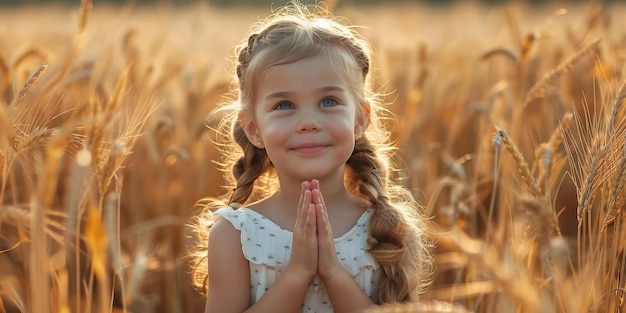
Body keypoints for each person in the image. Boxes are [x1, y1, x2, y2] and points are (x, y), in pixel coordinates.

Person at [188, 1, 432, 312]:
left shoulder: (391, 231)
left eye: (329, 101)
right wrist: (297, 274)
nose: (308, 122)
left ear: (360, 119)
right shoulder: (235, 235)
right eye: (284, 105)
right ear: (253, 129)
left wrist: (332, 271)